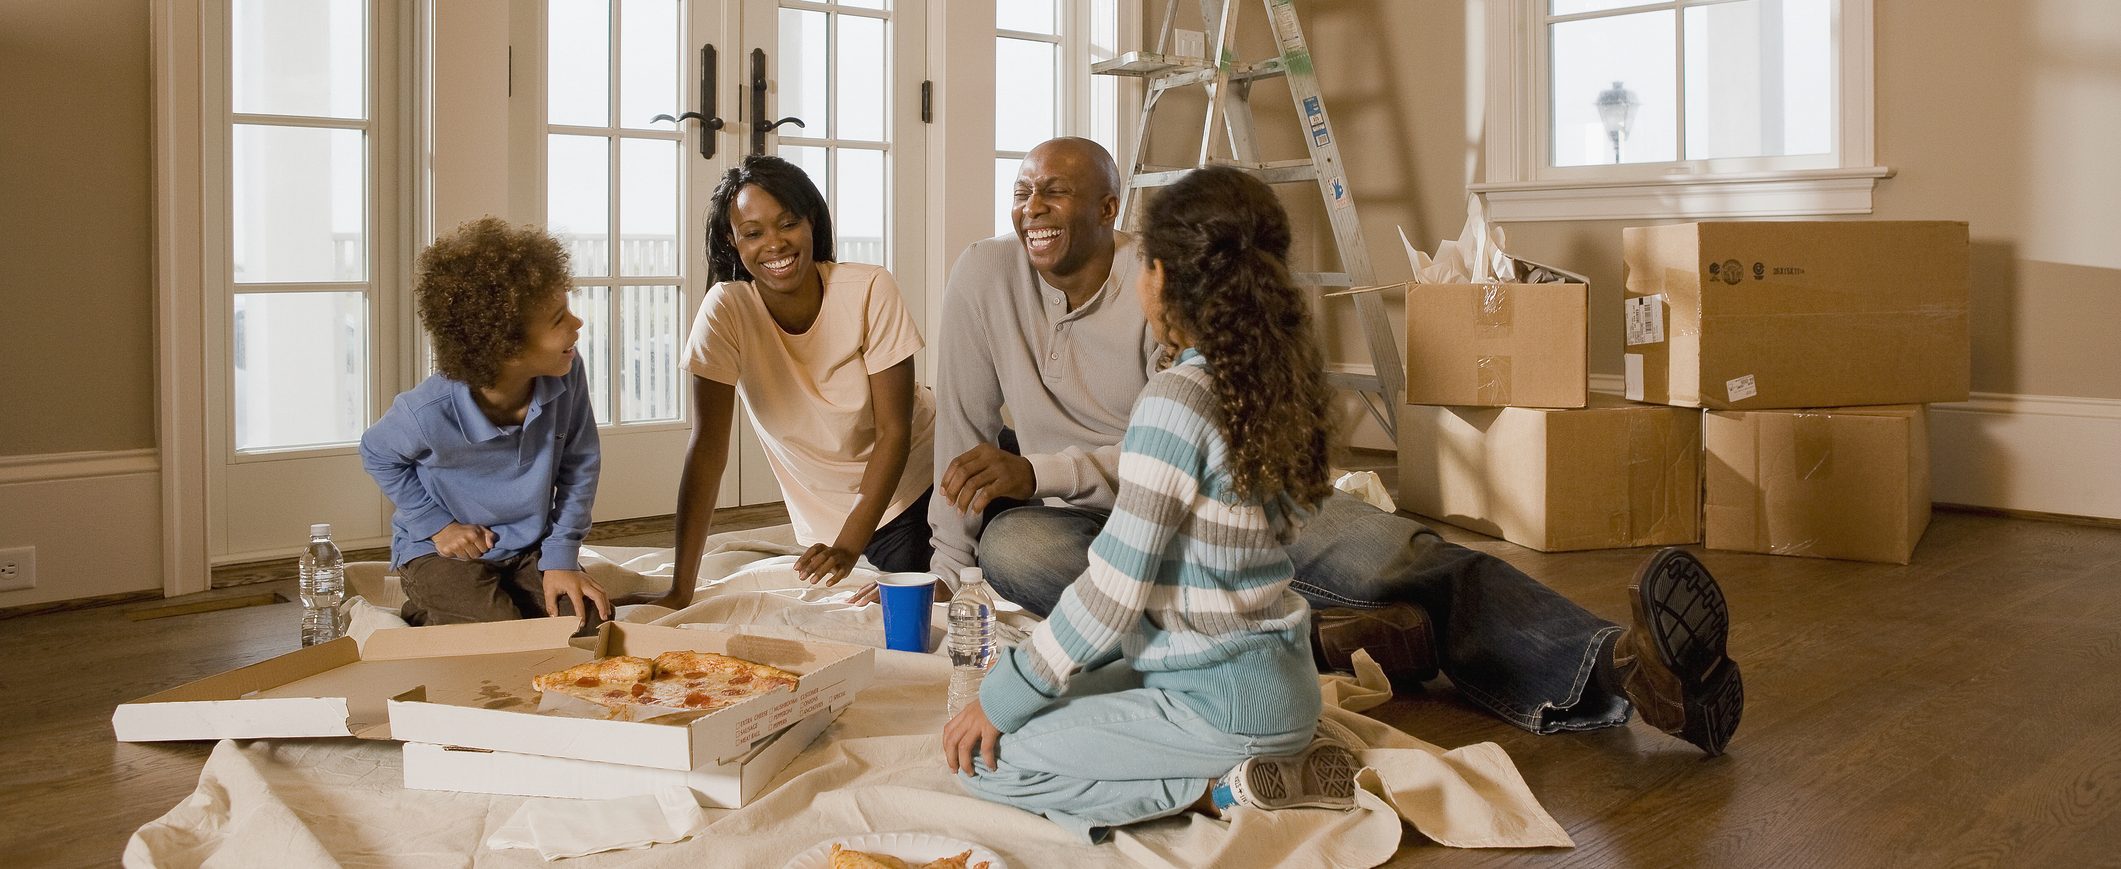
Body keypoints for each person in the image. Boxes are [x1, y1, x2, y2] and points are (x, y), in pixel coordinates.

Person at [929, 137, 1744, 756]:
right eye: (1021, 191)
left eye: (1055, 191)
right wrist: (941, 572)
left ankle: (1623, 665)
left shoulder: (1162, 283)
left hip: (1211, 495)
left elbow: (1175, 436)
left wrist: (1041, 467)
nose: (1031, 206)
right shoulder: (981, 277)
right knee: (1017, 544)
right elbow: (962, 445)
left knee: (1405, 556)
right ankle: (1322, 633)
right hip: (1082, 522)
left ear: (1110, 212)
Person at [943, 166, 1360, 841]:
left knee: (985, 759)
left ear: (1160, 277)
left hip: (1218, 701)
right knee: (1052, 699)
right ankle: (1270, 761)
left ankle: (1217, 789)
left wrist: (1001, 696)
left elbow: (1112, 591)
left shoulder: (1175, 400)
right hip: (1277, 682)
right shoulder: (1269, 385)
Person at [667, 155, 935, 609]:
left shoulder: (869, 287)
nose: (774, 243)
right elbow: (708, 448)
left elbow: (895, 431)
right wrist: (679, 590)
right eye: (753, 233)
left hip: (924, 477)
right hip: (844, 519)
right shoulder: (726, 310)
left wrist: (850, 545)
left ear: (812, 221)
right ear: (732, 243)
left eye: (787, 223)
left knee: (1010, 538)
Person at [359, 216, 614, 626]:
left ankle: (488, 600)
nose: (577, 324)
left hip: (528, 546)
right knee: (497, 632)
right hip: (439, 553)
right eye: (558, 319)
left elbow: (580, 462)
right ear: (504, 347)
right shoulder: (427, 410)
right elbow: (376, 452)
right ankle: (429, 606)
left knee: (589, 620)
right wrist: (437, 526)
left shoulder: (567, 371)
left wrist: (562, 555)